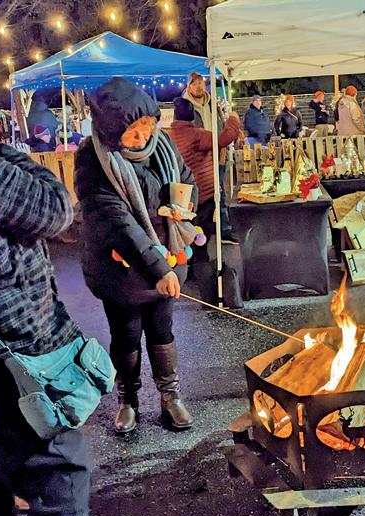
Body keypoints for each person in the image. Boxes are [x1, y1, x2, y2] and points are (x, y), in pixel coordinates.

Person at [75, 78, 197, 434]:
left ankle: (170, 395)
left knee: (162, 328)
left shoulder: (163, 145)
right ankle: (128, 399)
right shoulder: (92, 157)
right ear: (113, 130)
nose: (143, 136)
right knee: (126, 332)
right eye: (133, 130)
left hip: (165, 257)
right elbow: (114, 219)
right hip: (120, 265)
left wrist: (183, 205)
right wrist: (157, 267)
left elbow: (186, 179)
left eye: (147, 125)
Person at [0, 142, 90, 516]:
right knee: (60, 476)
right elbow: (55, 207)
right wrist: (2, 154)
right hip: (13, 363)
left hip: (9, 357)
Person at [169, 98, 242, 262]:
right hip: (203, 192)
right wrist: (233, 119)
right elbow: (225, 138)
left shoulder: (170, 136)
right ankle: (201, 265)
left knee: (189, 233)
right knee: (202, 232)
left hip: (182, 194)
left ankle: (194, 262)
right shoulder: (196, 135)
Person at [184, 72, 238, 244]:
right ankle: (200, 234)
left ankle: (224, 230)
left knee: (220, 193)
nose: (198, 86)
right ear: (189, 87)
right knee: (201, 198)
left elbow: (222, 128)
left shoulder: (212, 104)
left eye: (201, 82)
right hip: (198, 161)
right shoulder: (186, 107)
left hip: (217, 155)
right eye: (194, 83)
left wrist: (222, 153)